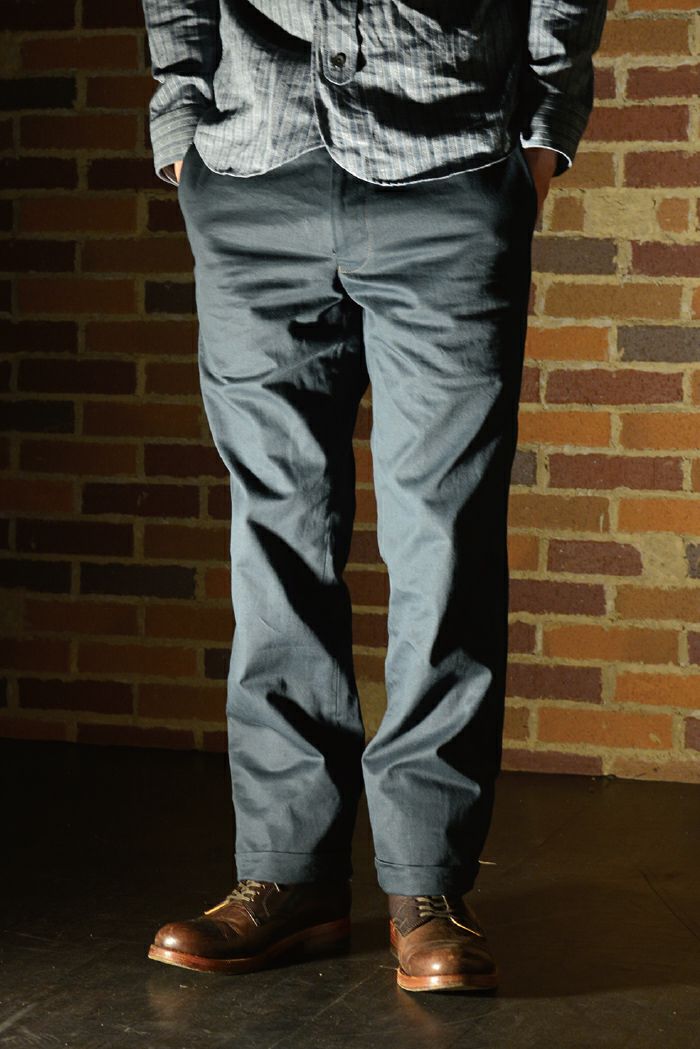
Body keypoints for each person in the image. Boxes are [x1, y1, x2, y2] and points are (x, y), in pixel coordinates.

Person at [140, 0, 608, 993]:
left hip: (447, 161)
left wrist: (544, 126)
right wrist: (181, 116)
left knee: (444, 536)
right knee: (273, 538)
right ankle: (289, 872)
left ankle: (427, 885)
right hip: (251, 169)